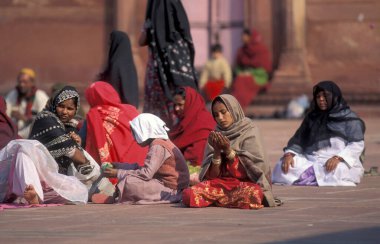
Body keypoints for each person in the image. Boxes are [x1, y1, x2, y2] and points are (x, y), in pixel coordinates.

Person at [182, 94, 276, 209]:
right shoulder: (216, 134)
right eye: (216, 115)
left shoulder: (250, 130)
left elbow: (256, 170)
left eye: (223, 112)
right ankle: (227, 200)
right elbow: (211, 177)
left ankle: (218, 200)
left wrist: (228, 151)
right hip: (221, 185)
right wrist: (216, 152)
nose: (220, 118)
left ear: (233, 110)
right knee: (188, 195)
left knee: (254, 193)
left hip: (245, 184)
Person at [272, 81, 365, 186]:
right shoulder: (312, 117)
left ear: (335, 97)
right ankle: (313, 178)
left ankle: (310, 178)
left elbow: (357, 144)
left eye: (325, 96)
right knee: (283, 165)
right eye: (318, 96)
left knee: (339, 170)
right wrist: (289, 155)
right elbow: (298, 139)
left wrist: (338, 158)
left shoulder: (350, 119)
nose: (321, 99)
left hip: (338, 160)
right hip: (311, 160)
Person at [29, 86, 113, 197]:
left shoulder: (71, 124)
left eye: (70, 109)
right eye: (61, 106)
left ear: (76, 109)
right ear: (54, 104)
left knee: (77, 152)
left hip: (58, 172)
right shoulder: (46, 119)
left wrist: (77, 142)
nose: (64, 112)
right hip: (40, 170)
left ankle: (97, 188)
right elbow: (73, 152)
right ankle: (101, 187)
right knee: (77, 154)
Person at [99, 113, 190, 204]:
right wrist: (119, 166)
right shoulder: (159, 143)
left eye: (135, 133)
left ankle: (119, 197)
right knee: (129, 178)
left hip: (171, 190)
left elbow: (146, 174)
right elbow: (144, 169)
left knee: (129, 182)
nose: (134, 138)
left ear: (144, 130)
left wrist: (118, 173)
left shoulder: (158, 146)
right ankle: (120, 196)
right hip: (165, 185)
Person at [139, 0, 198, 128]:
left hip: (156, 71)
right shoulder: (180, 45)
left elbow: (142, 41)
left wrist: (151, 29)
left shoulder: (153, 12)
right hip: (171, 74)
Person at [83, 81, 148, 183]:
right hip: (147, 167)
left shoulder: (94, 115)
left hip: (116, 171)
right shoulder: (131, 109)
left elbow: (82, 140)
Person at [0, 140, 88, 205]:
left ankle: (35, 196)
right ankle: (35, 196)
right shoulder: (45, 120)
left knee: (78, 189)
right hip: (18, 181)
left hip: (43, 177)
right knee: (22, 151)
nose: (65, 113)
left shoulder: (71, 126)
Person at [231, 29, 272, 111]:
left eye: (245, 36)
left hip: (258, 76)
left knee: (244, 81)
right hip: (243, 75)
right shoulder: (242, 50)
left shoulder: (261, 49)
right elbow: (238, 66)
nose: (243, 38)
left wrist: (250, 73)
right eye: (242, 36)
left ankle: (238, 106)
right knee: (239, 81)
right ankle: (235, 106)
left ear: (251, 37)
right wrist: (242, 72)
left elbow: (264, 69)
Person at [99, 31, 139, 108]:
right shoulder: (130, 65)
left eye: (111, 42)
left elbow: (113, 89)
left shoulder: (116, 64)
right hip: (131, 110)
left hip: (117, 109)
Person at [5, 68, 49, 138]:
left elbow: (44, 119)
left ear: (32, 83)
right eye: (20, 82)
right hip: (14, 131)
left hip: (32, 133)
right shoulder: (14, 94)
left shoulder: (40, 96)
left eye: (25, 82)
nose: (22, 85)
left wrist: (25, 118)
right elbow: (5, 112)